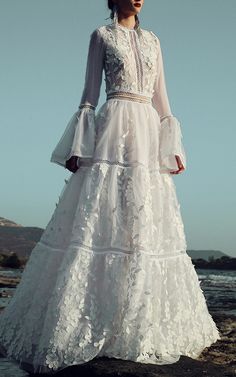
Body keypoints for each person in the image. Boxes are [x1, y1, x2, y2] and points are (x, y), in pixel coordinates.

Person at [0, 0, 221, 374]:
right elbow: (88, 95)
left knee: (143, 217)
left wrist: (173, 146)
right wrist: (78, 145)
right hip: (113, 124)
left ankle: (137, 321)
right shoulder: (101, 35)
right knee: (102, 213)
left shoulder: (153, 40)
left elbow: (161, 96)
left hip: (148, 132)